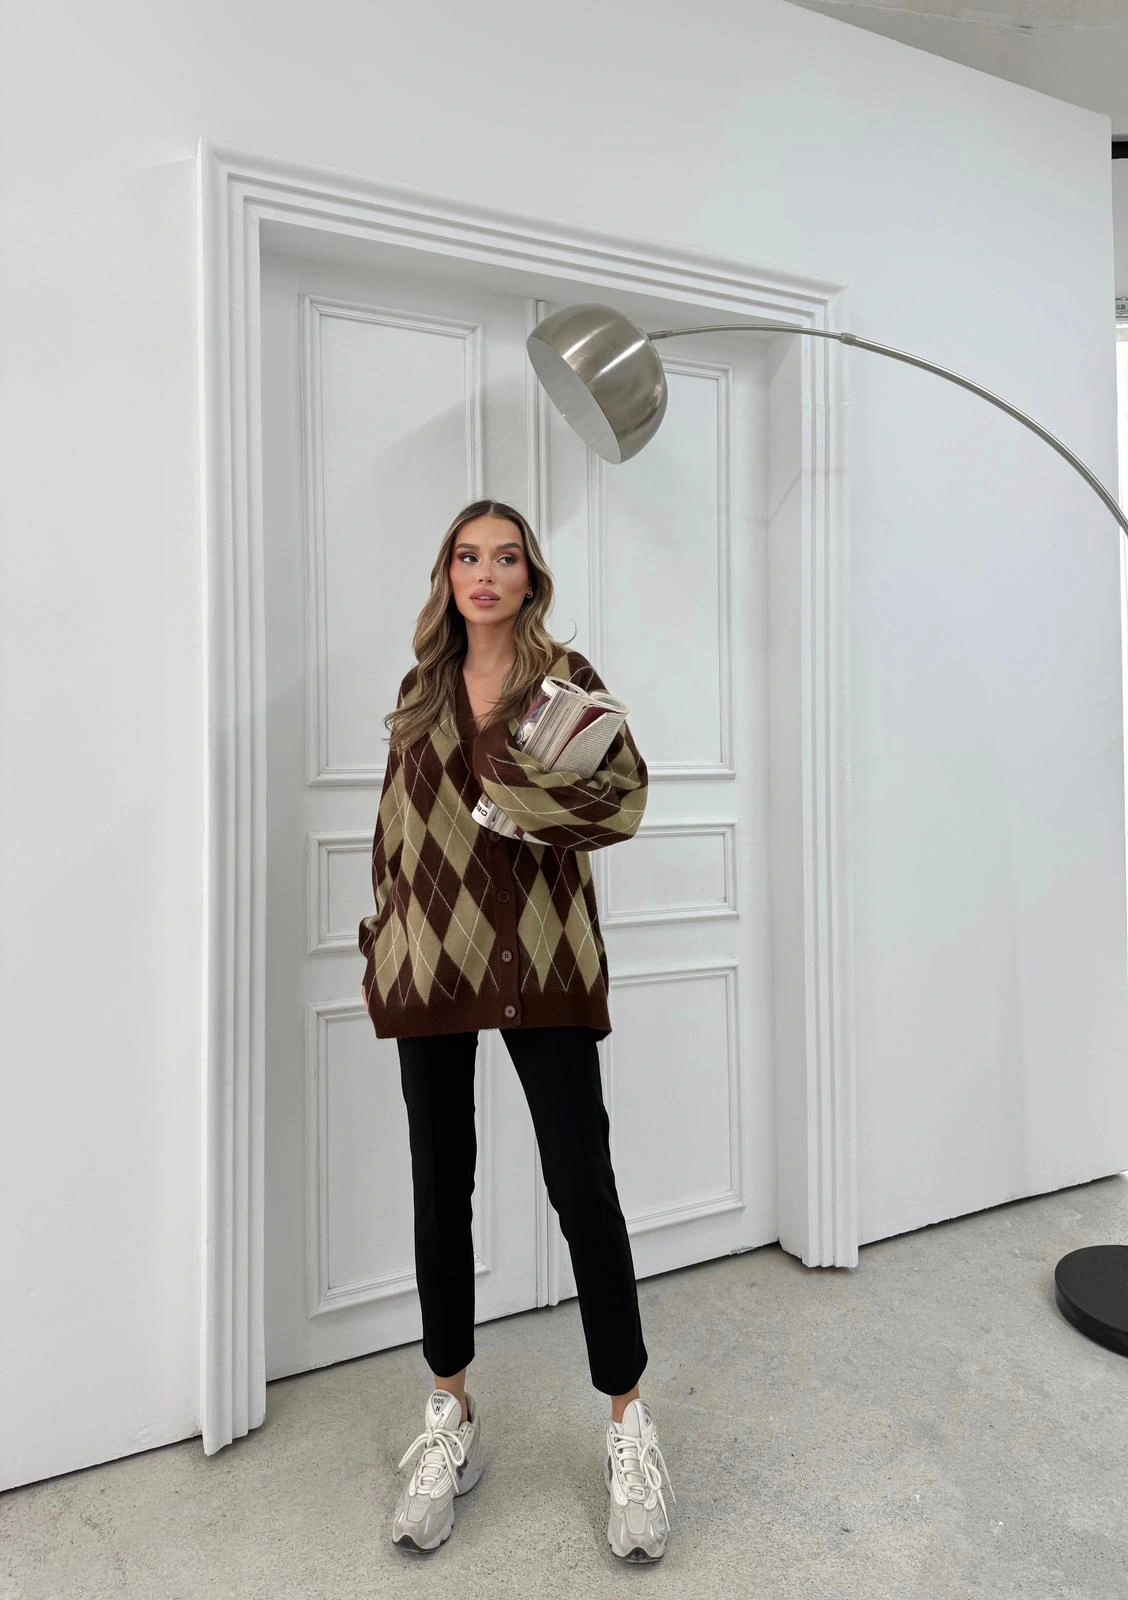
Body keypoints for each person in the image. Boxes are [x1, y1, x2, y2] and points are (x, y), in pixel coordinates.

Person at [358, 498, 676, 1562]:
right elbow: (396, 839)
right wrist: (384, 946)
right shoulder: (420, 693)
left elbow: (623, 803)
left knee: (584, 1186)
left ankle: (628, 1421)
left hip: (542, 959)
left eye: (505, 558)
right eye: (467, 556)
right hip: (434, 965)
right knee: (439, 1189)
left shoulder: (563, 683)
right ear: (447, 576)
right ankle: (451, 1412)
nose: (485, 573)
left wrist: (518, 791)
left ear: (530, 578)